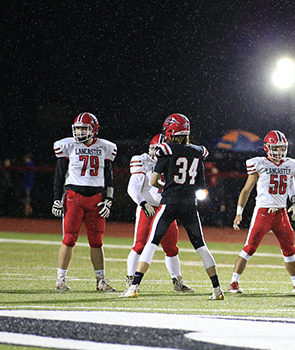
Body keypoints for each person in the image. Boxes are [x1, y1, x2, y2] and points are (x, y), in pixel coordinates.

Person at [121, 114, 224, 300]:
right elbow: (201, 185)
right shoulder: (198, 151)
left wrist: (169, 186)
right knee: (201, 247)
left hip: (169, 203)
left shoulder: (165, 150)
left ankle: (133, 286)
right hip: (190, 204)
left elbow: (153, 181)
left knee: (151, 244)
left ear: (170, 130)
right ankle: (217, 289)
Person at [230, 130, 295, 294]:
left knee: (289, 249)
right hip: (263, 212)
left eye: (281, 147)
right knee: (250, 248)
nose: (279, 151)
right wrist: (239, 212)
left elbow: (292, 187)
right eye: (275, 148)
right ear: (267, 148)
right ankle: (234, 281)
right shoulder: (259, 163)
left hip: (281, 213)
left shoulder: (290, 164)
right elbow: (246, 190)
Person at [52, 112, 117, 292]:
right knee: (69, 238)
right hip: (74, 196)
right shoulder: (69, 146)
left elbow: (109, 177)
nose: (79, 132)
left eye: (83, 128)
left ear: (94, 129)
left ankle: (100, 281)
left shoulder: (105, 147)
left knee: (97, 241)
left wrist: (109, 200)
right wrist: (57, 199)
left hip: (96, 199)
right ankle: (60, 280)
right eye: (77, 128)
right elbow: (59, 175)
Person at [125, 133, 194, 293]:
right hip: (147, 208)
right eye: (153, 148)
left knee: (171, 247)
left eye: (158, 149)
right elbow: (132, 188)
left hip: (166, 208)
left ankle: (177, 281)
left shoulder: (173, 161)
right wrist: (143, 203)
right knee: (140, 245)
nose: (155, 152)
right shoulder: (142, 160)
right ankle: (130, 279)